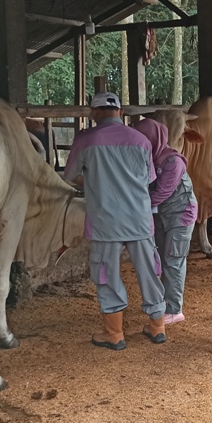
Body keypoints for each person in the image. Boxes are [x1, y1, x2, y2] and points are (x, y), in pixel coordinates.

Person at [65, 92, 167, 350]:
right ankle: (157, 326)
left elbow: (71, 176)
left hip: (105, 222)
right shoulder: (142, 141)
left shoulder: (86, 140)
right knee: (149, 271)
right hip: (139, 219)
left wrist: (95, 180)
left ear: (94, 113)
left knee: (106, 274)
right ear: (120, 113)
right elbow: (148, 178)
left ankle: (114, 333)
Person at [132, 117, 197, 329]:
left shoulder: (173, 162)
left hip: (181, 214)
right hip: (162, 215)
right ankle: (163, 301)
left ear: (154, 138)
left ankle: (174, 309)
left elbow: (161, 193)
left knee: (173, 258)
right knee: (160, 257)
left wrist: (131, 205)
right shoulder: (150, 159)